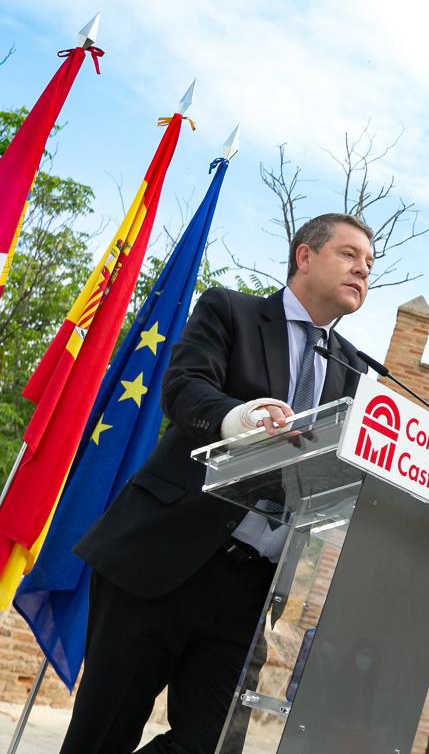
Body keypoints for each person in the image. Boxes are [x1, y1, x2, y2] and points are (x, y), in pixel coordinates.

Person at [60, 213, 374, 754]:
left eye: (369, 265)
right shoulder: (231, 310)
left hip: (253, 586)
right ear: (305, 256)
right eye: (349, 255)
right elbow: (184, 389)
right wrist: (241, 420)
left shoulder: (354, 369)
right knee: (102, 735)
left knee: (206, 746)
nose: (362, 271)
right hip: (164, 559)